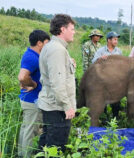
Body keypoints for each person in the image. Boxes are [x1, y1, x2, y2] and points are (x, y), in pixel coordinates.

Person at [38, 14, 76, 152]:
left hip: (52, 105)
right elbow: (58, 83)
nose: (74, 32)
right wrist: (67, 106)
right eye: (72, 29)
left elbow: (56, 74)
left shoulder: (53, 47)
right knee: (56, 148)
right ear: (62, 29)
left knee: (46, 145)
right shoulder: (57, 50)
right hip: (57, 108)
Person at [18, 30, 50, 158]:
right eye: (46, 43)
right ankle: (26, 155)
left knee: (26, 129)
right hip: (32, 101)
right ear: (39, 43)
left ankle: (21, 154)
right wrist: (34, 84)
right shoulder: (32, 57)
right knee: (30, 131)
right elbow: (22, 76)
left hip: (30, 100)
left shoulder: (33, 55)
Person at [92, 31, 122, 118]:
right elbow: (93, 62)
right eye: (115, 39)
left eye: (117, 40)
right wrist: (100, 58)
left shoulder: (119, 51)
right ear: (109, 40)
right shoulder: (101, 51)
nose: (116, 41)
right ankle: (104, 119)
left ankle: (115, 119)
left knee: (116, 101)